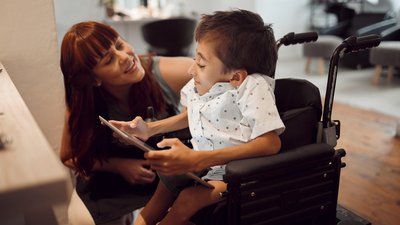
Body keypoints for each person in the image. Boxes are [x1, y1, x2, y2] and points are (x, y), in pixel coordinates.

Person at [111, 9, 285, 225]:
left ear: (236, 76)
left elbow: (270, 143)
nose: (192, 69)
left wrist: (198, 159)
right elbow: (190, 114)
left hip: (240, 172)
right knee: (161, 193)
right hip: (204, 166)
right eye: (195, 59)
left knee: (186, 200)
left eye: (201, 64)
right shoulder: (202, 85)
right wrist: (149, 129)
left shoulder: (252, 86)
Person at [59, 21, 193, 225]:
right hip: (112, 183)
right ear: (94, 79)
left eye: (119, 45)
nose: (126, 57)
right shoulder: (84, 100)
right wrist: (119, 166)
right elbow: (69, 156)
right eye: (109, 60)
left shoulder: (166, 71)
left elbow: (223, 80)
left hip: (165, 178)